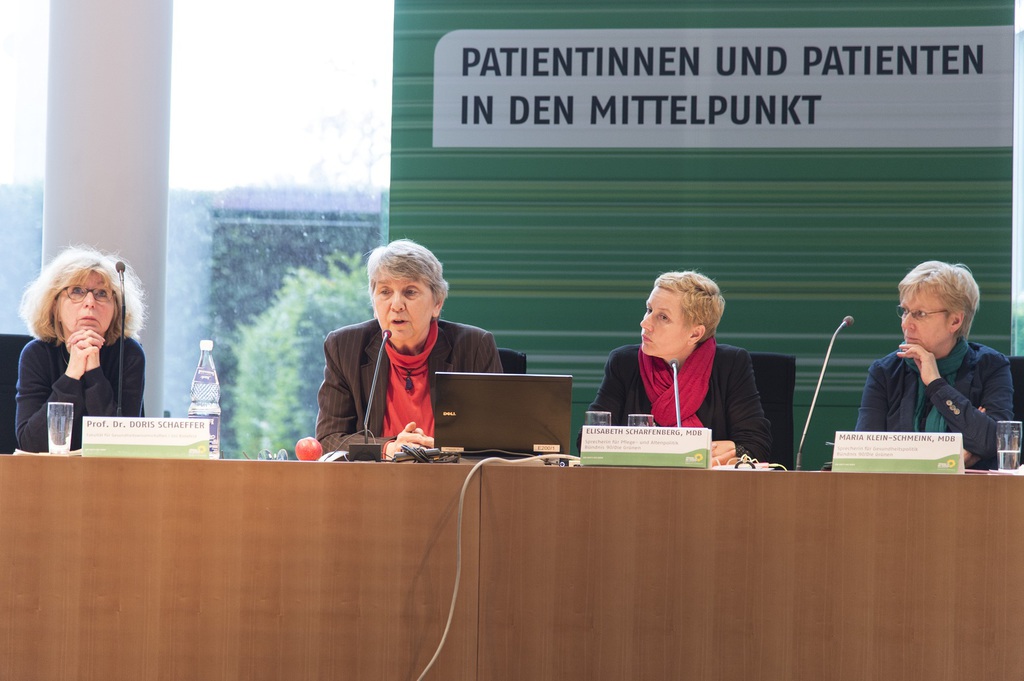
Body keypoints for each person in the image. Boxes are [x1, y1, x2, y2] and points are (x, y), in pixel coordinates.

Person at [316, 239, 502, 458]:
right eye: (385, 292)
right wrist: (388, 448)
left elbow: (497, 438)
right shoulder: (344, 347)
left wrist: (444, 450)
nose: (396, 305)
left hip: (453, 476)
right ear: (374, 303)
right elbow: (329, 438)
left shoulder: (474, 347)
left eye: (410, 292)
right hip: (376, 477)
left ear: (437, 303)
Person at [584, 271, 772, 465]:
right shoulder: (624, 363)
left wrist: (733, 451)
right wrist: (693, 450)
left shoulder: (730, 364)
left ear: (695, 334)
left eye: (663, 317)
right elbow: (589, 440)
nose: (645, 323)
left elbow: (756, 445)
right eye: (649, 310)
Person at [855, 261, 1012, 469]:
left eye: (919, 314)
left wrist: (936, 384)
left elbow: (995, 442)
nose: (906, 323)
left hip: (973, 489)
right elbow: (865, 456)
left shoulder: (991, 366)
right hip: (898, 489)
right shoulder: (885, 371)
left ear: (955, 321)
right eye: (905, 311)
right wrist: (951, 459)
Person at [16, 246, 147, 452]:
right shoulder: (37, 354)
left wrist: (94, 372)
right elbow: (31, 443)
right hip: (49, 471)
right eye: (77, 291)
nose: (90, 302)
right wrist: (72, 375)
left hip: (113, 472)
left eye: (101, 293)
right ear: (55, 306)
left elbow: (121, 445)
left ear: (115, 309)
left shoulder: (128, 354)